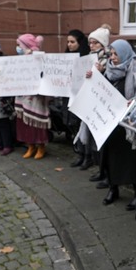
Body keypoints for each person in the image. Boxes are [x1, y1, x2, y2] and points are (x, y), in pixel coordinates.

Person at [99, 39, 136, 207]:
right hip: (110, 125)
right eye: (111, 54)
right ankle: (113, 188)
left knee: (132, 160)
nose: (113, 58)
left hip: (129, 125)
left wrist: (134, 102)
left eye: (116, 54)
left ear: (126, 54)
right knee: (111, 157)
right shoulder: (108, 72)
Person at [78, 24, 112, 184]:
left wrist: (100, 73)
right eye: (90, 42)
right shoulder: (88, 59)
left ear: (103, 44)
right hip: (90, 103)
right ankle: (100, 169)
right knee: (93, 139)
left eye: (95, 43)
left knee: (102, 141)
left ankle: (107, 173)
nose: (91, 46)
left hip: (103, 107)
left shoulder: (107, 60)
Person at [14, 33, 50, 159]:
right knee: (24, 122)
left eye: (19, 45)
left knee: (36, 122)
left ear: (26, 45)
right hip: (22, 94)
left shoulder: (39, 57)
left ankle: (41, 146)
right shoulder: (20, 58)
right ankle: (30, 146)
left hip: (35, 96)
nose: (17, 47)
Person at [61, 29, 90, 168]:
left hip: (81, 97)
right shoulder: (65, 58)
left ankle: (87, 156)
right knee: (72, 124)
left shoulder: (86, 58)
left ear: (80, 42)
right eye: (68, 42)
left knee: (81, 125)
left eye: (72, 42)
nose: (69, 45)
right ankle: (79, 153)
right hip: (68, 96)